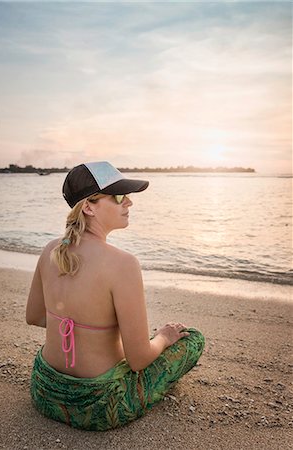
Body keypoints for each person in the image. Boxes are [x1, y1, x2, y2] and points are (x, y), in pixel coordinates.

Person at [26, 161, 205, 431]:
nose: (129, 203)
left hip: (46, 390)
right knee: (192, 339)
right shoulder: (123, 264)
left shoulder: (51, 249)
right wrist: (164, 338)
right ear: (88, 206)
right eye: (119, 196)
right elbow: (139, 360)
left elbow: (35, 317)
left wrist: (86, 329)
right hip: (99, 404)